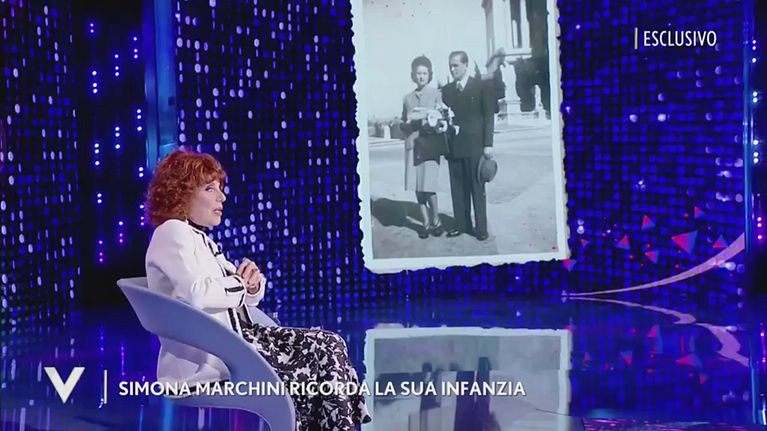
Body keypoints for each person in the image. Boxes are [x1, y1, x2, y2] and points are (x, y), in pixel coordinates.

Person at [144, 148, 371, 431]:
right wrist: (239, 283)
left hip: (240, 340)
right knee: (324, 350)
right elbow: (198, 294)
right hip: (221, 352)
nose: (221, 197)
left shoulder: (200, 238)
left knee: (329, 343)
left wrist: (251, 286)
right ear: (181, 193)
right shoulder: (172, 232)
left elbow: (239, 298)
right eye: (210, 189)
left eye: (221, 188)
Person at [441, 51, 496, 241]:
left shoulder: (481, 86)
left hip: (475, 147)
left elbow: (488, 116)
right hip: (454, 146)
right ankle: (461, 225)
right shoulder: (447, 90)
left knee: (477, 187)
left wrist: (488, 144)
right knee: (457, 188)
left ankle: (481, 228)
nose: (452, 69)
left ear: (465, 65)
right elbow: (444, 118)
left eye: (456, 65)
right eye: (450, 65)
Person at [400, 55, 447, 239]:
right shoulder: (407, 98)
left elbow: (442, 119)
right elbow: (404, 123)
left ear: (429, 75)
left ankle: (436, 220)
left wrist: (432, 120)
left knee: (429, 186)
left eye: (424, 73)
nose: (421, 76)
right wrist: (405, 124)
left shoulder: (436, 94)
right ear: (413, 75)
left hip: (430, 146)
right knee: (417, 187)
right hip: (413, 146)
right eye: (418, 73)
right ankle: (425, 223)